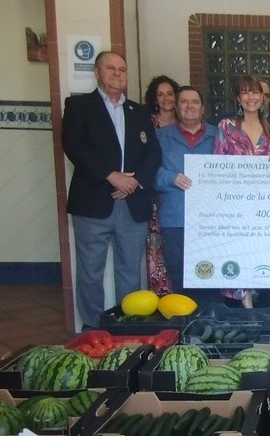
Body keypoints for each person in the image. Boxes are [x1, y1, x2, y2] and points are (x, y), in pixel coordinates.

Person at [61, 51, 162, 329]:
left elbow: (153, 152)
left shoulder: (138, 111)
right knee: (90, 272)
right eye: (111, 68)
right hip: (93, 202)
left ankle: (125, 328)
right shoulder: (79, 106)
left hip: (132, 203)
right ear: (97, 72)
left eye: (122, 70)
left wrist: (135, 181)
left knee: (130, 273)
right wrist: (111, 176)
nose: (117, 74)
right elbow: (74, 146)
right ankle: (93, 330)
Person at [214, 74, 270, 308]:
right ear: (238, 98)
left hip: (262, 206)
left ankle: (257, 310)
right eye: (245, 92)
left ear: (263, 97)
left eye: (255, 92)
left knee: (259, 257)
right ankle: (243, 310)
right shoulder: (226, 127)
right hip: (234, 205)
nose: (251, 97)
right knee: (237, 254)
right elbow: (216, 166)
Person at [155, 85, 219, 293]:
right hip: (175, 218)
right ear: (176, 107)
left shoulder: (219, 136)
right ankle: (185, 324)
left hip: (211, 220)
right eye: (184, 101)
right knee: (179, 274)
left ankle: (209, 321)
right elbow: (147, 173)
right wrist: (171, 178)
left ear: (202, 109)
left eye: (195, 102)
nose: (189, 106)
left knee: (211, 273)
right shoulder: (160, 137)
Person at [142, 75, 179, 293]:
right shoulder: (147, 123)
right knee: (157, 247)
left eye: (170, 93)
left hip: (182, 196)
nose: (166, 98)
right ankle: (162, 295)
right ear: (154, 99)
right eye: (160, 94)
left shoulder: (185, 121)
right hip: (157, 195)